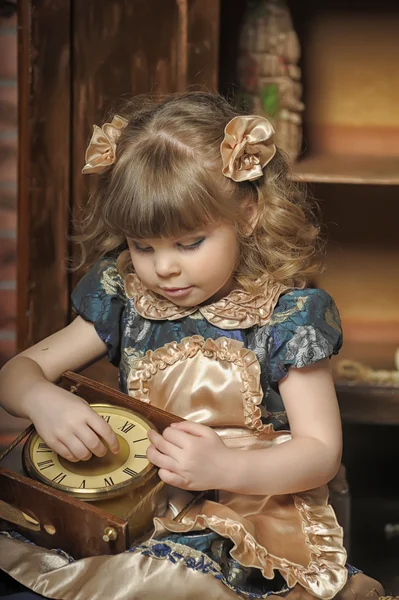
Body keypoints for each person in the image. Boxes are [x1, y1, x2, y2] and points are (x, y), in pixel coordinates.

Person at [0, 93, 384, 599]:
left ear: (247, 215)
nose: (164, 268)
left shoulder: (288, 318)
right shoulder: (126, 298)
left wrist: (228, 468)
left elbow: (320, 453)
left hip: (246, 504)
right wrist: (43, 400)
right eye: (143, 246)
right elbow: (17, 372)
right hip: (134, 497)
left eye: (189, 243)